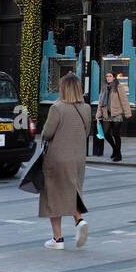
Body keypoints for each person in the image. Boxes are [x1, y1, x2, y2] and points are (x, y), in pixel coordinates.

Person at [39, 74, 90, 249]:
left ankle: (57, 239)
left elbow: (47, 133)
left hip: (57, 158)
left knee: (53, 196)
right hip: (78, 158)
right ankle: (79, 219)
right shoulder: (86, 108)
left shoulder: (57, 108)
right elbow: (87, 131)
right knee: (71, 190)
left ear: (63, 88)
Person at [97, 70, 132, 163]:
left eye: (110, 76)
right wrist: (98, 114)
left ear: (114, 77)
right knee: (106, 133)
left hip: (117, 114)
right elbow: (100, 102)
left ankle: (118, 154)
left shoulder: (118, 87)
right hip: (106, 114)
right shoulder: (104, 88)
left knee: (116, 134)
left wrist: (127, 113)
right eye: (107, 76)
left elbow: (124, 101)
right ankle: (115, 149)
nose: (108, 78)